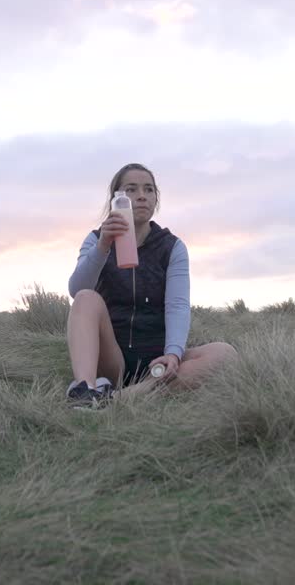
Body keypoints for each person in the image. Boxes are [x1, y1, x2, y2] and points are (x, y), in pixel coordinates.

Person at [65, 163, 236, 408]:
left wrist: (173, 354)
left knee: (224, 354)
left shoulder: (172, 247)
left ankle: (115, 398)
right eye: (131, 189)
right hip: (113, 359)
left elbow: (177, 305)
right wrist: (103, 246)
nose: (142, 196)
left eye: (149, 189)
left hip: (157, 362)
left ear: (156, 198)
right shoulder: (96, 239)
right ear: (116, 198)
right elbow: (76, 288)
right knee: (85, 298)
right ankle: (85, 389)